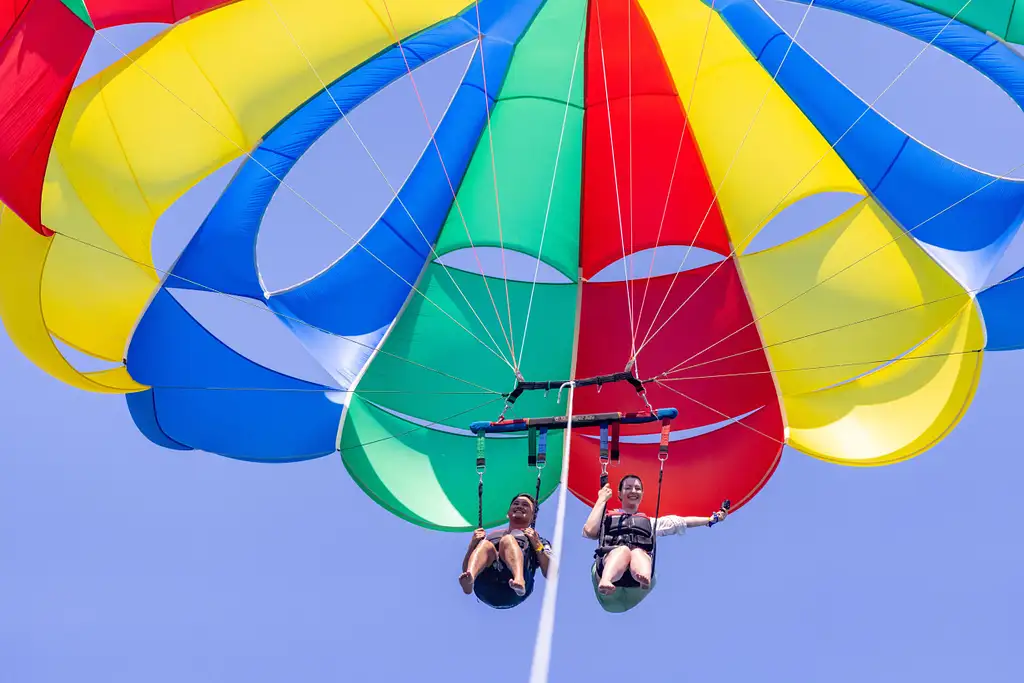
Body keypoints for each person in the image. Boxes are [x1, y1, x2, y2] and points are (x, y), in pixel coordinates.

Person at [582, 473, 727, 612]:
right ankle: (606, 580)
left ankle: (643, 576)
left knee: (638, 552)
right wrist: (602, 499)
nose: (633, 491)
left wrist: (710, 520)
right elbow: (589, 531)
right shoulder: (607, 518)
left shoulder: (650, 523)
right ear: (619, 494)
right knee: (623, 551)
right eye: (628, 488)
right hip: (608, 578)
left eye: (637, 488)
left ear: (642, 494)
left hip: (636, 585)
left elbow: (681, 522)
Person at [458, 493, 552, 609]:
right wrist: (473, 544)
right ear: (508, 514)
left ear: (533, 517)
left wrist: (537, 544)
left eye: (525, 505)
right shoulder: (492, 536)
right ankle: (470, 580)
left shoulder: (539, 541)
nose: (519, 506)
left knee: (507, 540)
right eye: (516, 503)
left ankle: (519, 579)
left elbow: (551, 572)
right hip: (486, 587)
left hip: (513, 592)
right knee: (485, 544)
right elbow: (464, 569)